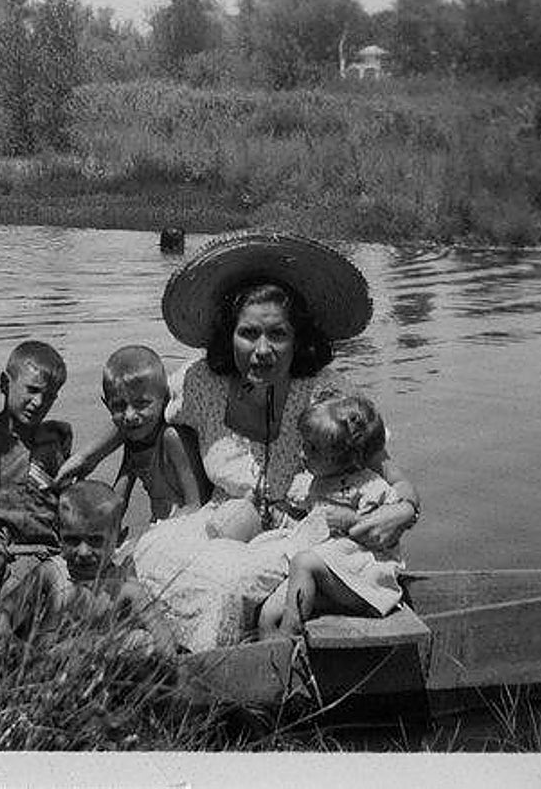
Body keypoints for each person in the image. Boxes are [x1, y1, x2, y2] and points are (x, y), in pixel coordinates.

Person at [128, 229, 422, 652]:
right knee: (154, 554)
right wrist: (85, 458)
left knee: (223, 586)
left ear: (297, 338)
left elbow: (391, 473)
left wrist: (405, 510)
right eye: (248, 334)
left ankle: (226, 684)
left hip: (304, 534)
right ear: (229, 335)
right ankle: (167, 662)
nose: (262, 350)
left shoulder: (328, 395)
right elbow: (135, 407)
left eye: (278, 335)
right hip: (225, 520)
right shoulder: (202, 382)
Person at [259, 393, 405, 637]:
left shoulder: (369, 487)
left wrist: (352, 521)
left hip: (364, 580)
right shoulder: (317, 481)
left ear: (350, 458)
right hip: (331, 574)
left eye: (313, 449)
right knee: (267, 613)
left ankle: (289, 634)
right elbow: (310, 511)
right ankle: (270, 658)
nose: (303, 454)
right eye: (304, 444)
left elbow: (385, 536)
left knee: (303, 562)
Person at [0, 480, 177, 657]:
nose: (84, 551)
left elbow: (162, 635)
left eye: (95, 540)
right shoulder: (52, 572)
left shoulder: (125, 585)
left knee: (138, 638)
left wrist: (157, 651)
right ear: (58, 535)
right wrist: (9, 641)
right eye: (72, 540)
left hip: (104, 672)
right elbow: (2, 612)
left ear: (118, 539)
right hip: (49, 665)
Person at [60, 345, 210, 524]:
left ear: (165, 399)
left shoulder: (172, 438)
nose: (129, 416)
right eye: (119, 406)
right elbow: (119, 500)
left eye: (142, 404)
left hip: (187, 525)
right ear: (106, 404)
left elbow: (196, 505)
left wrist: (150, 536)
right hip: (160, 524)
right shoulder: (132, 441)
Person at [0, 340, 71, 593]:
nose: (38, 403)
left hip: (46, 544)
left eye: (49, 397)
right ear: (5, 383)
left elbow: (68, 495)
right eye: (32, 390)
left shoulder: (56, 440)